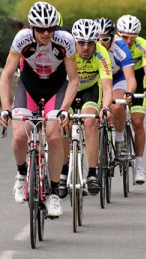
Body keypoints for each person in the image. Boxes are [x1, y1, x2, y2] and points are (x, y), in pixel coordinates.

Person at [0, 1, 79, 217]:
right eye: (41, 29)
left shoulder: (65, 41)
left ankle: (52, 192)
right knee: (18, 138)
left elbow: (73, 79)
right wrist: (6, 108)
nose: (46, 33)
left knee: (53, 138)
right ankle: (21, 172)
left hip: (56, 87)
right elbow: (6, 74)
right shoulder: (22, 39)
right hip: (29, 86)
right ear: (32, 28)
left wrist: (64, 109)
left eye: (50, 28)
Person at [58, 19, 113, 197]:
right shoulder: (67, 50)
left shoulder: (101, 53)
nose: (86, 47)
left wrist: (105, 107)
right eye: (81, 42)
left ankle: (91, 173)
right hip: (68, 91)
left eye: (90, 42)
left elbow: (106, 86)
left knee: (90, 121)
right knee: (63, 123)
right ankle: (64, 170)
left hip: (90, 91)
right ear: (74, 40)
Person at [116, 14, 146, 184]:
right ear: (118, 34)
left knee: (137, 122)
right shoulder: (114, 44)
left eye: (133, 37)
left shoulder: (143, 44)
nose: (129, 40)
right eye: (125, 36)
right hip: (118, 77)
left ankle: (139, 164)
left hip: (137, 78)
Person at [95, 17, 137, 160]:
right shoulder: (88, 46)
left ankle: (119, 138)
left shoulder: (121, 47)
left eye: (105, 39)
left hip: (117, 79)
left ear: (112, 38)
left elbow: (130, 78)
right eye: (97, 39)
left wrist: (129, 93)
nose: (100, 43)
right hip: (98, 79)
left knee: (118, 106)